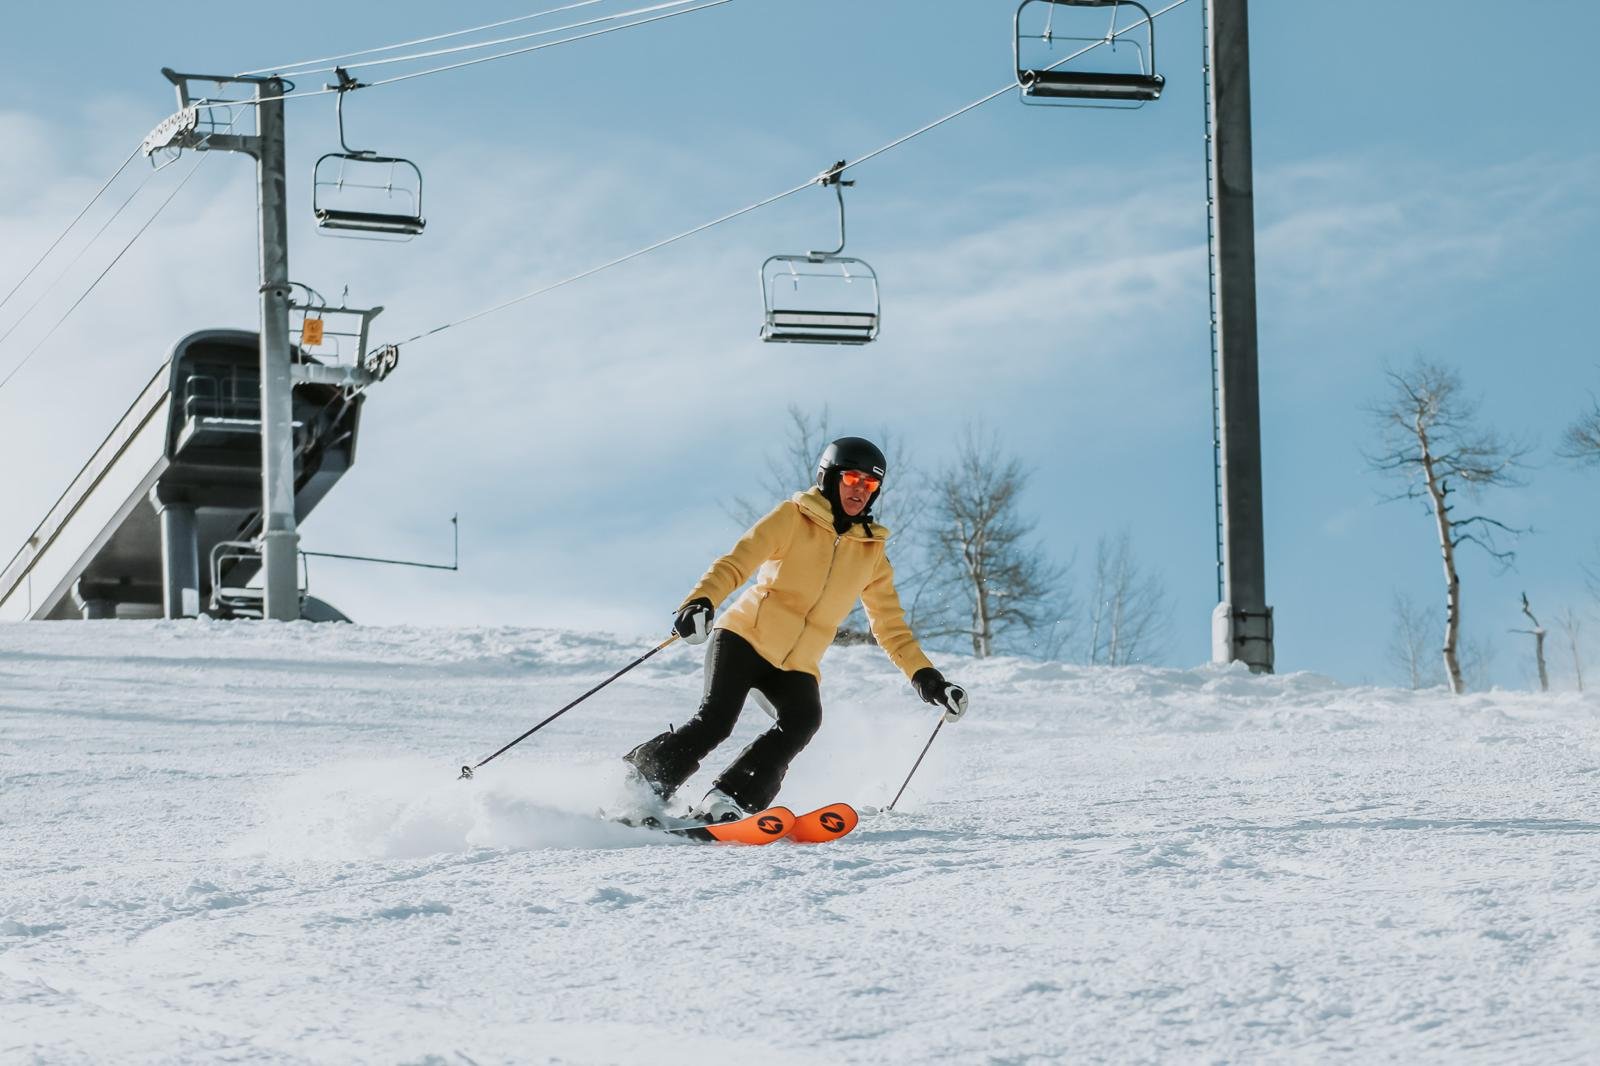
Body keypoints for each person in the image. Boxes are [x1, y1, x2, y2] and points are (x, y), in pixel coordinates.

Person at [623, 436, 969, 823]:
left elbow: (891, 628)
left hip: (797, 663)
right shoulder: (793, 517)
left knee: (803, 720)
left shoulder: (872, 554)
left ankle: (729, 798)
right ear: (830, 478)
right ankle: (641, 782)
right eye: (852, 479)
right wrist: (700, 600)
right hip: (744, 637)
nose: (859, 490)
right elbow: (736, 562)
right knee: (716, 722)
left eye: (869, 485)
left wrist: (929, 679)